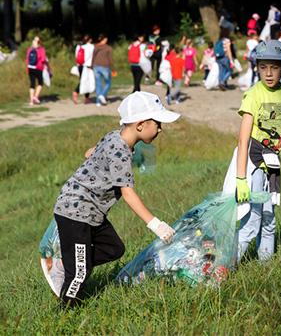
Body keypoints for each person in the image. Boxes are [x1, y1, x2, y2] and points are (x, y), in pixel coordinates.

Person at [44, 91, 180, 305]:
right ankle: (65, 314)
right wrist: (156, 225)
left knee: (114, 249)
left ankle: (64, 264)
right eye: (158, 123)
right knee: (79, 273)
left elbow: (89, 152)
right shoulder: (121, 152)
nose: (160, 128)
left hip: (91, 212)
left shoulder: (114, 135)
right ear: (141, 124)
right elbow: (128, 193)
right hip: (76, 213)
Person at [235, 40, 281, 262]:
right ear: (256, 67)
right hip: (252, 162)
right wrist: (241, 178)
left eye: (274, 67)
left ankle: (265, 269)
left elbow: (278, 133)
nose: (268, 73)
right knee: (252, 220)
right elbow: (243, 139)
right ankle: (226, 269)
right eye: (263, 67)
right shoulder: (253, 94)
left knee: (269, 219)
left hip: (272, 162)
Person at [92, 34, 115, 106]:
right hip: (105, 66)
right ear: (104, 39)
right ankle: (102, 95)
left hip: (96, 66)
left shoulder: (95, 46)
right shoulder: (108, 48)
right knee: (108, 82)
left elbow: (93, 56)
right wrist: (113, 68)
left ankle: (98, 102)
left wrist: (91, 65)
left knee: (98, 84)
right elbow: (110, 59)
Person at [26, 35, 48, 106]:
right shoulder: (41, 49)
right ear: (40, 43)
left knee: (32, 84)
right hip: (38, 68)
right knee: (40, 83)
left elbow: (27, 59)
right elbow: (43, 60)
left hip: (30, 68)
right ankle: (35, 97)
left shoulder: (29, 49)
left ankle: (31, 101)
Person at [72, 34, 94, 104]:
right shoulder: (91, 47)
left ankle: (86, 98)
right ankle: (76, 92)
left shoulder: (79, 46)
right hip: (87, 66)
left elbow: (76, 57)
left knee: (83, 80)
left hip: (80, 66)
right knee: (86, 81)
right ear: (90, 39)